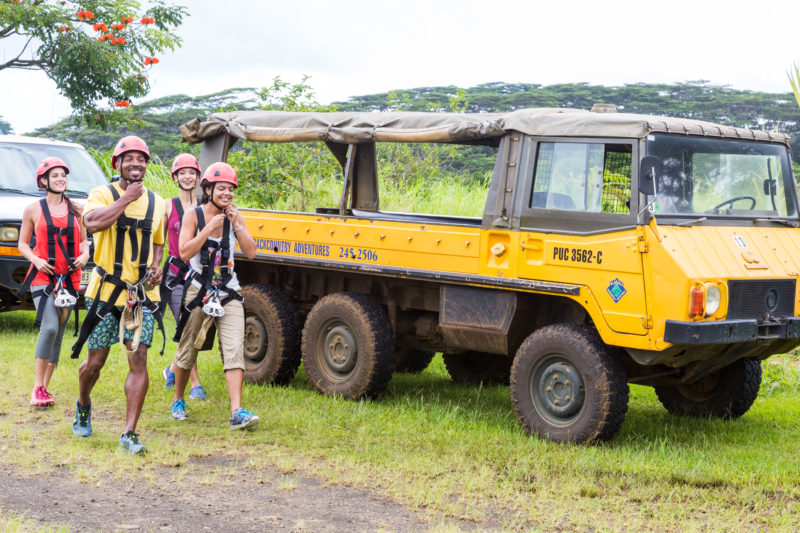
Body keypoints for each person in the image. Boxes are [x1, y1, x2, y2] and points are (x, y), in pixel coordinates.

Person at [70, 135, 165, 455]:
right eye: (129, 158)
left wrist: (156, 264)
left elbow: (158, 240)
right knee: (94, 363)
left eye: (142, 159)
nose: (136, 163)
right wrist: (126, 199)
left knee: (138, 359)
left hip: (138, 298)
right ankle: (83, 403)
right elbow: (93, 223)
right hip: (105, 295)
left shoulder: (157, 201)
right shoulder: (101, 194)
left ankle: (129, 434)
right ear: (117, 164)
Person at [169, 162, 259, 429]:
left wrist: (238, 225)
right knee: (189, 348)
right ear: (208, 189)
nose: (227, 194)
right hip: (199, 289)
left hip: (229, 289)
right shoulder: (194, 215)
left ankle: (236, 411)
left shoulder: (234, 217)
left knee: (233, 349)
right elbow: (184, 253)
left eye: (231, 189)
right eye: (221, 188)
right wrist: (208, 230)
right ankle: (178, 399)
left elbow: (252, 253)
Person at [17, 158, 90, 406]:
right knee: (48, 327)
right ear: (44, 181)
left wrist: (85, 255)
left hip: (69, 278)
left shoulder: (77, 209)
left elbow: (83, 241)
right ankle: (37, 387)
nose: (60, 179)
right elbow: (23, 244)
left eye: (63, 175)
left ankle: (45, 389)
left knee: (58, 333)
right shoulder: (33, 209)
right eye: (55, 175)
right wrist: (35, 260)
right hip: (42, 276)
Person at [159, 153, 207, 399]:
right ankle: (194, 384)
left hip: (200, 276)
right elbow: (158, 240)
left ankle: (172, 369)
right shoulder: (168, 206)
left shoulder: (204, 206)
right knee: (187, 325)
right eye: (182, 173)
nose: (187, 177)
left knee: (198, 328)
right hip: (176, 276)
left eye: (192, 173)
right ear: (175, 177)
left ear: (198, 177)